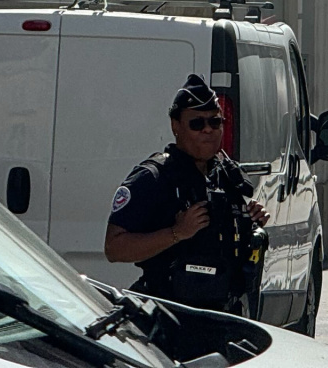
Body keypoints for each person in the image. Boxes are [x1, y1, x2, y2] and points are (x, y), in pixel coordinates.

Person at [104, 74, 270, 313]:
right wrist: (176, 233)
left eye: (215, 122)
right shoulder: (154, 178)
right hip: (169, 315)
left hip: (224, 313)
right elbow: (114, 248)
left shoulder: (227, 176)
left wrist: (252, 220)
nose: (207, 130)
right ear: (176, 126)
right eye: (197, 124)